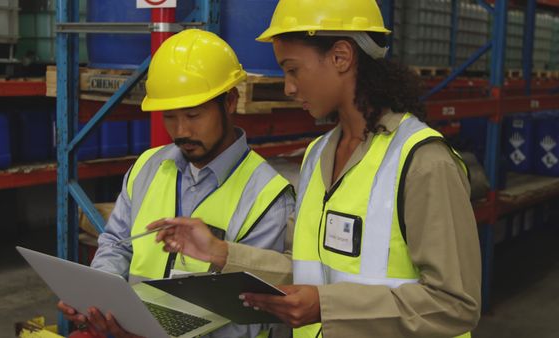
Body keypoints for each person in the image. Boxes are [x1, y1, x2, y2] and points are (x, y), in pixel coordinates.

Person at [151, 1, 482, 337]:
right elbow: (304, 270)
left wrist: (328, 305)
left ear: (341, 56)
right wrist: (219, 253)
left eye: (293, 69)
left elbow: (455, 303)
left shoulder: (423, 162)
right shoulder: (317, 156)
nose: (288, 87)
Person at [58, 29, 295, 338]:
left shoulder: (268, 197)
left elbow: (248, 319)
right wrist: (98, 302)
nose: (181, 130)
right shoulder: (147, 168)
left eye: (194, 115)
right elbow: (116, 244)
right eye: (169, 116)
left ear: (230, 101)